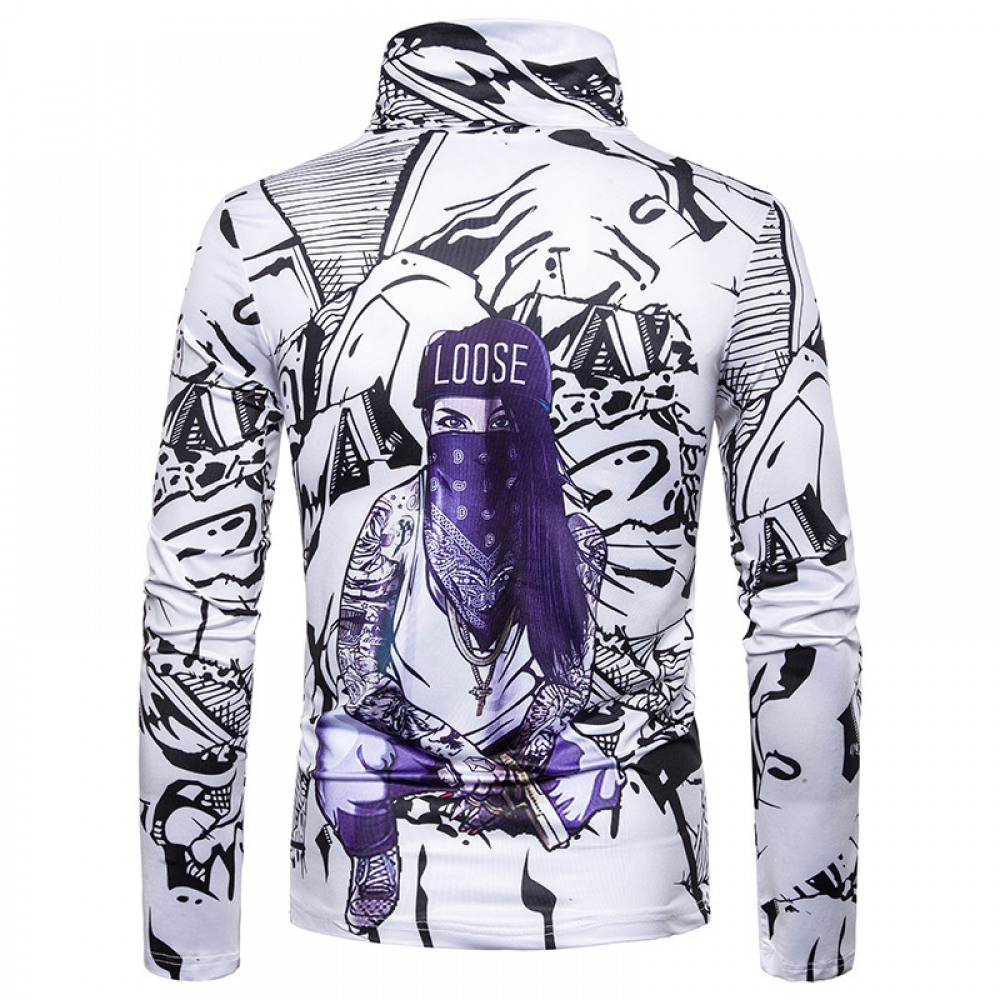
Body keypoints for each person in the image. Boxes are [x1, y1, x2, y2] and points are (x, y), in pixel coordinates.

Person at [311, 316, 626, 932]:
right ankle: (376, 857)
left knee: (596, 774)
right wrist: (454, 753)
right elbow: (360, 675)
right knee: (345, 752)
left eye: (502, 426)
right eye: (452, 424)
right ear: (427, 426)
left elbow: (569, 679)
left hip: (519, 743)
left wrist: (519, 760)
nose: (474, 445)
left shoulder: (576, 536)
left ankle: (514, 822)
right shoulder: (397, 518)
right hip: (412, 737)